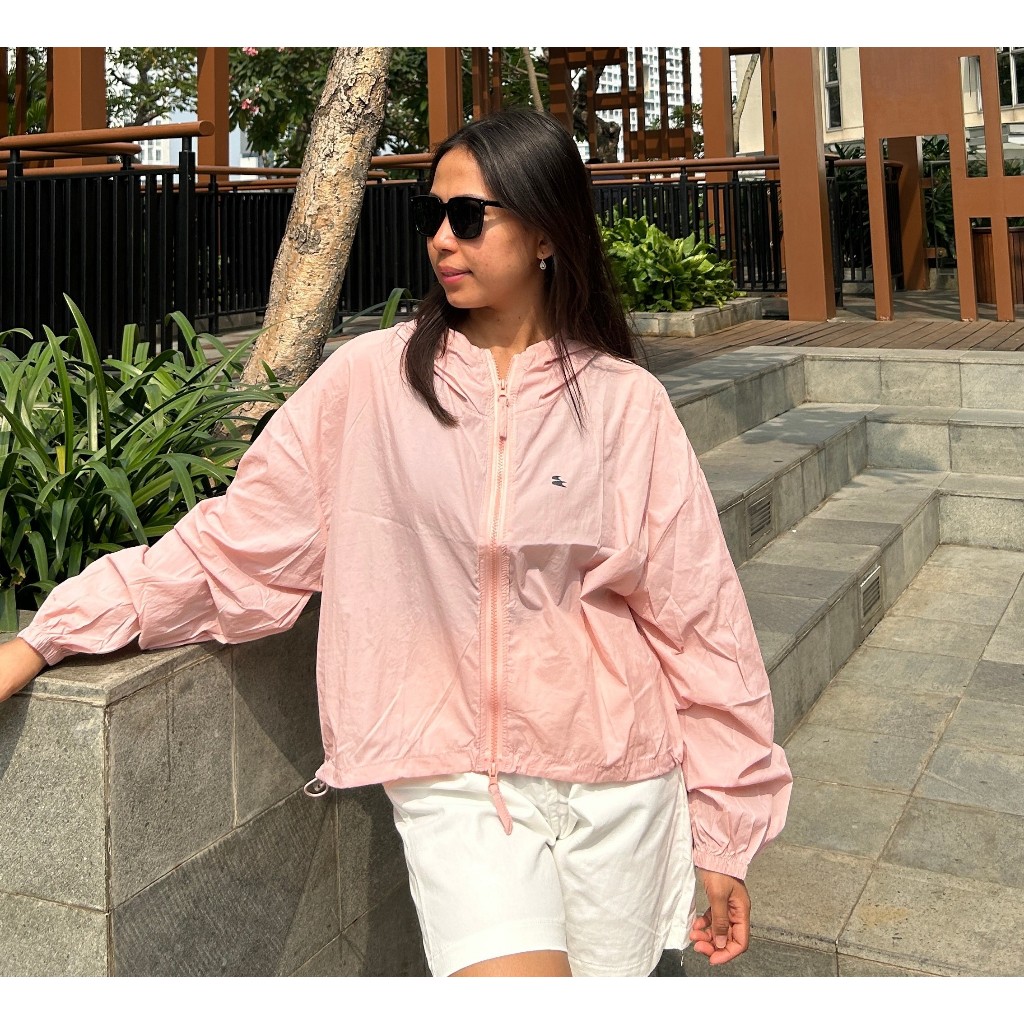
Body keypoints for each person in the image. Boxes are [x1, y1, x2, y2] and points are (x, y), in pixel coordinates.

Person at [0, 109, 792, 978]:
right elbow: (237, 543)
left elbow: (698, 618)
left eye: (469, 216)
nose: (442, 240)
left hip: (619, 775)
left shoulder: (624, 402)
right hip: (455, 779)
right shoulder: (370, 380)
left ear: (546, 232)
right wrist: (47, 636)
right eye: (430, 215)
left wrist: (726, 828)